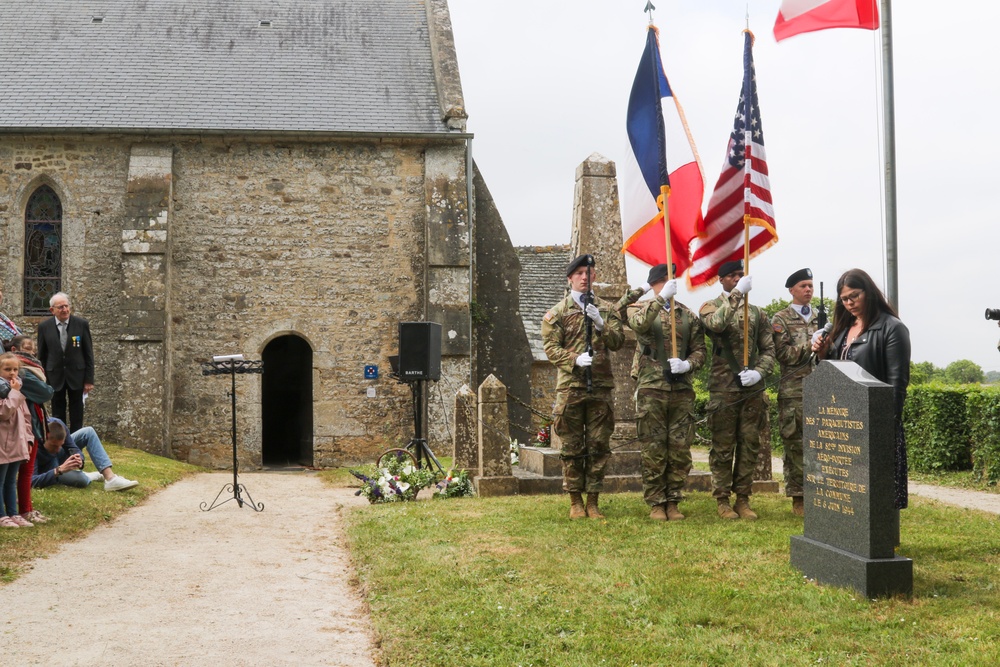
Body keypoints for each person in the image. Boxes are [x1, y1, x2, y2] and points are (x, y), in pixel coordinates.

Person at [812, 268, 910, 510]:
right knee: (847, 490)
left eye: (855, 296)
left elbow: (897, 382)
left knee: (877, 493)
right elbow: (835, 373)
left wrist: (886, 422)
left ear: (869, 292)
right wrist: (823, 354)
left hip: (874, 419)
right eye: (844, 299)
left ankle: (880, 540)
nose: (849, 303)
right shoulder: (841, 330)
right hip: (842, 419)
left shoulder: (892, 328)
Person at [542, 254, 625, 519]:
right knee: (572, 447)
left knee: (599, 445)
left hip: (600, 387)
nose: (584, 278)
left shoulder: (606, 309)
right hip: (571, 388)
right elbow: (551, 349)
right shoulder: (558, 313)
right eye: (579, 274)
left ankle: (593, 501)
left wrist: (600, 323)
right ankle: (575, 501)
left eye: (588, 274)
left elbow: (617, 341)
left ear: (594, 277)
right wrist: (574, 359)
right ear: (570, 279)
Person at [628, 264, 706, 521]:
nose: (668, 284)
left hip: (681, 388)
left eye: (671, 280)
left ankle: (673, 500)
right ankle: (656, 503)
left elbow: (700, 351)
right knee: (653, 448)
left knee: (680, 448)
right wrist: (659, 298)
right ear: (653, 284)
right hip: (652, 387)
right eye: (662, 281)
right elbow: (639, 325)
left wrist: (687, 364)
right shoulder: (639, 308)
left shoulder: (687, 315)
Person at [699, 260, 776, 520]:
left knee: (749, 445)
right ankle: (722, 500)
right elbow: (717, 325)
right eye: (732, 276)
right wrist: (736, 295)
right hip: (723, 388)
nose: (737, 279)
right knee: (722, 446)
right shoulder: (710, 306)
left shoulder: (757, 313)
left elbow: (768, 349)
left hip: (752, 389)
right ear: (721, 280)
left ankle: (743, 498)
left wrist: (760, 372)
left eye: (740, 275)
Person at [771, 268, 820, 516]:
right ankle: (799, 498)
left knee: (820, 444)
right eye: (803, 286)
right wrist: (810, 345)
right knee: (795, 445)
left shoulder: (821, 318)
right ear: (792, 290)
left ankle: (821, 495)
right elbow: (783, 354)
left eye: (810, 285)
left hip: (821, 390)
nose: (808, 290)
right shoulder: (781, 319)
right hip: (794, 391)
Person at [10, 336, 54, 524]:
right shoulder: (23, 372)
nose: (31, 353)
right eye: (26, 349)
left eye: (32, 350)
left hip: (32, 421)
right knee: (20, 471)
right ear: (14, 349)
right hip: (25, 424)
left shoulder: (32, 370)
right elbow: (46, 392)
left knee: (26, 471)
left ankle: (26, 508)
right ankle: (20, 511)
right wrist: (46, 388)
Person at [36, 291, 95, 435]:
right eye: (60, 307)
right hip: (54, 376)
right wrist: (43, 378)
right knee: (57, 412)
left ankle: (77, 443)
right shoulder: (44, 327)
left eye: (66, 306)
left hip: (77, 376)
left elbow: (88, 354)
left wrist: (89, 379)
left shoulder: (81, 324)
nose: (65, 310)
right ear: (52, 310)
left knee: (77, 412)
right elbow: (42, 355)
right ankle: (60, 444)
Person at [33, 418, 138, 492]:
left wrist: (79, 459)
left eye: (61, 445)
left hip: (57, 462)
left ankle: (110, 479)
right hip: (48, 467)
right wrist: (58, 470)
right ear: (44, 438)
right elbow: (32, 481)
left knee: (88, 432)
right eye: (54, 446)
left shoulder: (58, 425)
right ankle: (93, 475)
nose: (58, 450)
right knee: (82, 481)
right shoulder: (32, 441)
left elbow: (73, 448)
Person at [0, 353, 33, 527]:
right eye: (7, 369)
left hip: (17, 443)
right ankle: (1, 515)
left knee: (11, 480)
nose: (12, 373)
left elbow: (26, 417)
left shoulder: (16, 390)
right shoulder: (8, 391)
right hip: (2, 444)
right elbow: (4, 412)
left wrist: (28, 439)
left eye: (15, 369)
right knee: (0, 480)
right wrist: (14, 392)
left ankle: (13, 513)